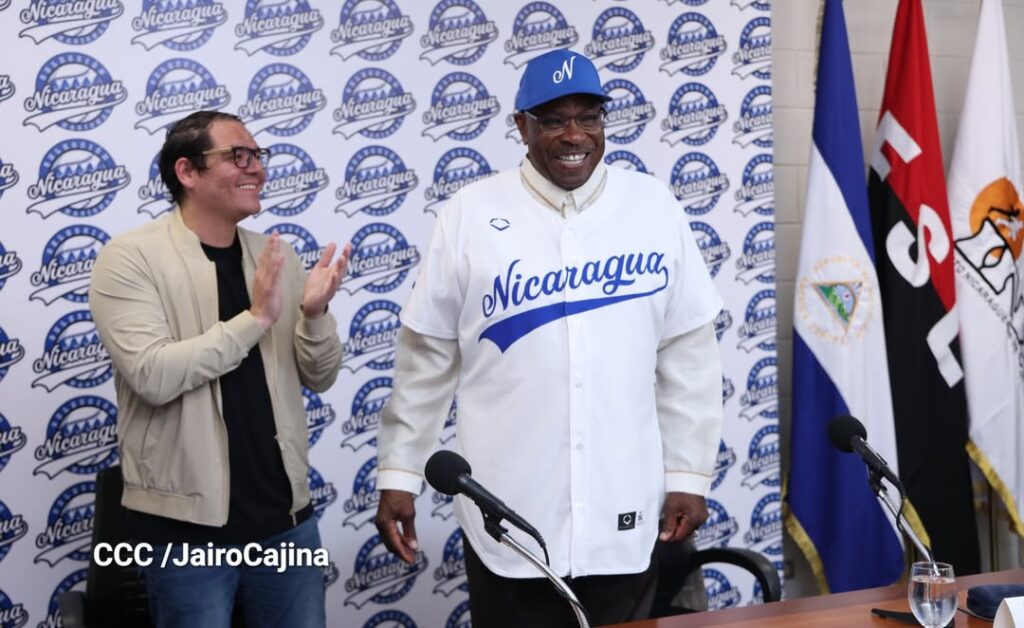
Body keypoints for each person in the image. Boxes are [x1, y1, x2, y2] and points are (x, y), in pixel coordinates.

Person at [374, 49, 723, 627]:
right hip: (508, 514)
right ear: (522, 126)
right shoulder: (470, 214)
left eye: (588, 117)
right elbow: (425, 362)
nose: (574, 135)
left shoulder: (652, 207)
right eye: (554, 119)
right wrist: (399, 475)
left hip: (624, 507)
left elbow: (689, 357)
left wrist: (688, 475)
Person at [89, 110, 350, 628]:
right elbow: (152, 375)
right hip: (186, 533)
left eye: (258, 155)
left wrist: (315, 313)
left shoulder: (275, 255)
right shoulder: (130, 258)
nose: (256, 168)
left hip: (286, 521)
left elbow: (320, 375)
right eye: (238, 156)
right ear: (187, 171)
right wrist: (255, 320)